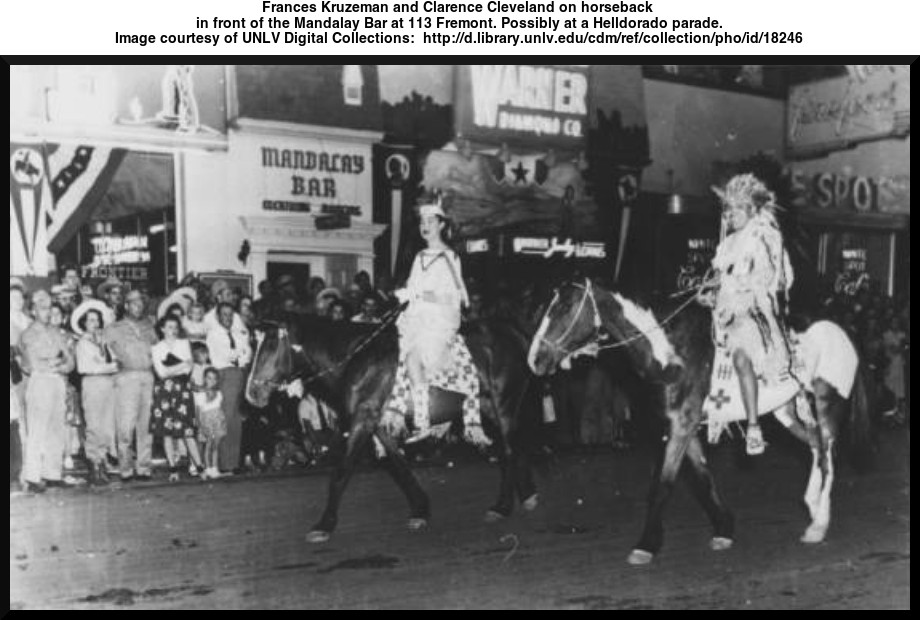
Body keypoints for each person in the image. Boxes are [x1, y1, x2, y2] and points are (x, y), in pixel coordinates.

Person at [702, 174, 795, 456]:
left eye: (735, 210)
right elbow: (717, 277)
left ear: (752, 210)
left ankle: (754, 427)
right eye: (727, 211)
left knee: (741, 356)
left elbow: (771, 278)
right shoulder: (727, 244)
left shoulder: (765, 235)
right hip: (724, 313)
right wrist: (708, 292)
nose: (729, 216)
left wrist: (730, 286)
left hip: (754, 310)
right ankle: (714, 412)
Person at [395, 199, 487, 444]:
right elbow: (413, 288)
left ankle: (423, 423)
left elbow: (454, 297)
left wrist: (419, 295)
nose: (425, 226)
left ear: (441, 225)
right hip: (416, 320)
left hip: (438, 323)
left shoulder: (449, 257)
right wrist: (406, 295)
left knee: (413, 360)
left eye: (430, 221)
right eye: (422, 222)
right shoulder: (420, 256)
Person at [19, 290, 76, 493]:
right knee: (38, 429)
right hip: (40, 382)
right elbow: (33, 364)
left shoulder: (56, 332)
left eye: (49, 308)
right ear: (34, 311)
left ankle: (52, 473)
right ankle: (33, 476)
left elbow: (70, 360)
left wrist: (57, 364)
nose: (47, 312)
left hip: (58, 380)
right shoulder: (28, 334)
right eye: (42, 308)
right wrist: (55, 361)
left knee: (56, 428)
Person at [105, 289, 158, 482]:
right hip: (126, 378)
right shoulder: (113, 328)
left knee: (146, 426)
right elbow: (105, 351)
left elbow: (157, 350)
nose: (139, 307)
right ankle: (125, 468)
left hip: (148, 376)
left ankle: (144, 467)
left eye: (141, 303)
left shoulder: (149, 326)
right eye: (134, 303)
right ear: (126, 305)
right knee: (126, 425)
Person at [150, 315, 204, 481]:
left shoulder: (184, 344)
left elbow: (188, 370)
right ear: (162, 329)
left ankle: (200, 468)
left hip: (182, 390)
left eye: (175, 327)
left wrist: (172, 368)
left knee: (187, 430)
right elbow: (161, 373)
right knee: (167, 431)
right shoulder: (156, 348)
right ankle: (173, 469)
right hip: (164, 391)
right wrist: (181, 365)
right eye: (169, 327)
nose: (173, 330)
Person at [73, 300, 119, 486]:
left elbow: (116, 360)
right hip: (92, 385)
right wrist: (109, 367)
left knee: (107, 424)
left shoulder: (104, 341)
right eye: (90, 320)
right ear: (84, 323)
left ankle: (103, 461)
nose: (95, 323)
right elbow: (86, 367)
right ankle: (94, 463)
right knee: (94, 425)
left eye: (97, 320)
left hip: (108, 385)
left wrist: (108, 365)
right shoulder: (82, 343)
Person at [207, 302, 252, 474]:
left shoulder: (238, 333)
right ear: (218, 316)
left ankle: (233, 462)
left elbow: (247, 352)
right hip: (223, 373)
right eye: (224, 315)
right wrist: (240, 353)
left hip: (238, 373)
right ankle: (224, 462)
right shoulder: (213, 334)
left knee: (236, 418)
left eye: (230, 315)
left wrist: (241, 353)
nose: (228, 318)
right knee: (225, 416)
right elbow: (224, 355)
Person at [195, 368, 226, 480]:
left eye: (214, 378)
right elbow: (198, 413)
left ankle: (215, 468)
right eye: (209, 378)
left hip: (217, 422)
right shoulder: (200, 394)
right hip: (206, 422)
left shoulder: (219, 394)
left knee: (215, 446)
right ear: (204, 379)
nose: (212, 381)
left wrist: (221, 421)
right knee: (208, 446)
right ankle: (207, 468)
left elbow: (219, 409)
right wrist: (201, 426)